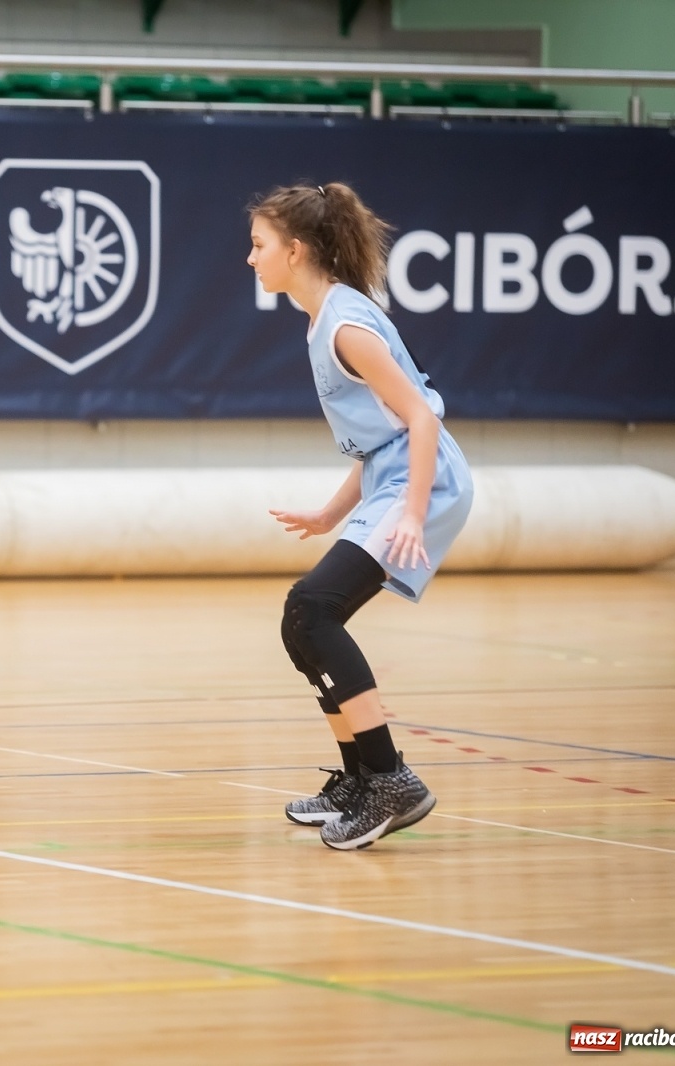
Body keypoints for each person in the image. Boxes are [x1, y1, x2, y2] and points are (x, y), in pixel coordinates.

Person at [247, 182, 474, 850]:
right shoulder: (325, 318)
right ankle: (359, 779)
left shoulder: (347, 327)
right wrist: (331, 513)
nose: (250, 258)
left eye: (259, 245)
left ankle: (391, 779)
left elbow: (420, 420)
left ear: (295, 250)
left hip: (425, 483)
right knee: (303, 622)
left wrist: (411, 513)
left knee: (311, 608)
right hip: (393, 480)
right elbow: (381, 440)